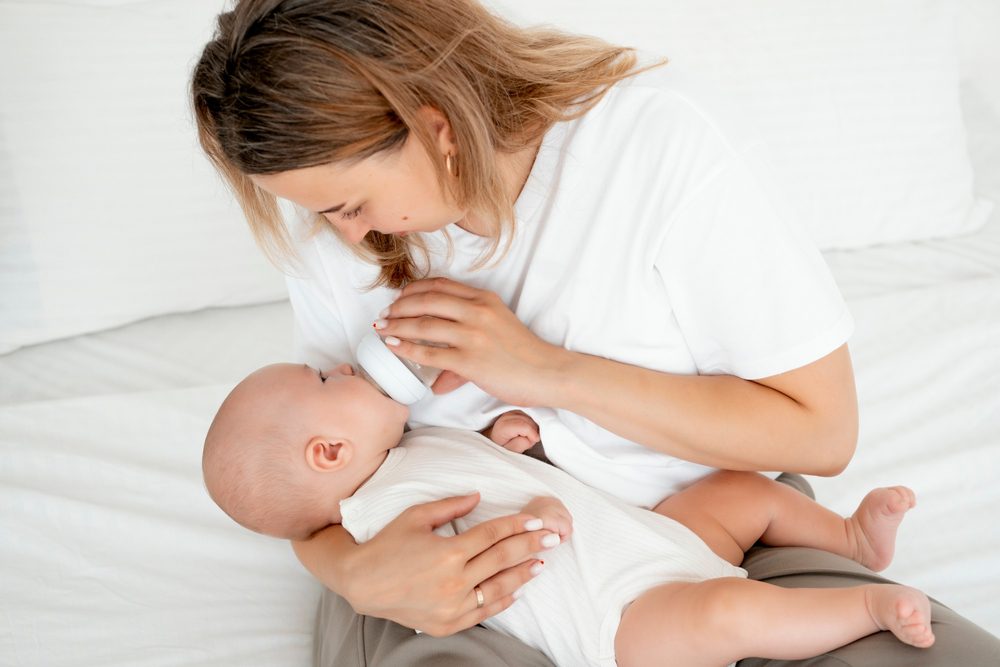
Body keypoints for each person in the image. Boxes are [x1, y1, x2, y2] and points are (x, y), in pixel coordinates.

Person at [190, 1, 1000, 664]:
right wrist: (362, 576)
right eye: (322, 214)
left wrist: (548, 371)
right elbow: (305, 489)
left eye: (349, 205)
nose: (347, 239)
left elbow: (822, 432)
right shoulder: (332, 243)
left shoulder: (652, 148)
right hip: (466, 577)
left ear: (433, 124)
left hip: (701, 521)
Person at [203, 361, 937, 666]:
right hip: (622, 616)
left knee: (737, 490)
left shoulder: (412, 445)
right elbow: (472, 541)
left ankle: (849, 537)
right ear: (329, 453)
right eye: (330, 377)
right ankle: (868, 605)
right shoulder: (379, 511)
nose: (348, 366)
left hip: (656, 537)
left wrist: (507, 444)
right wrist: (537, 510)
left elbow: (479, 474)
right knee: (725, 612)